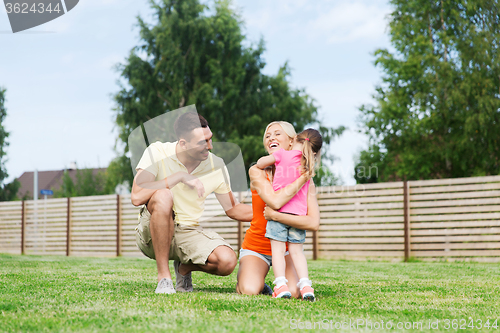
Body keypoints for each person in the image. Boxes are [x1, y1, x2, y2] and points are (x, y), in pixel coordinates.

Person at [131, 112, 252, 294]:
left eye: (210, 139)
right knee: (164, 196)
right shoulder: (157, 152)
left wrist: (271, 211)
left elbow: (233, 208)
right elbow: (136, 196)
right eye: (203, 142)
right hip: (152, 234)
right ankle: (164, 279)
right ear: (183, 144)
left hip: (188, 232)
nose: (210, 147)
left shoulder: (216, 165)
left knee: (227, 261)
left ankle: (184, 268)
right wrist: (178, 177)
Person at [236, 121, 320, 299]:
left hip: (288, 248)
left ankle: (280, 284)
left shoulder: (305, 175)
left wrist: (276, 217)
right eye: (267, 136)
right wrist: (303, 178)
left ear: (292, 141)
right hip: (257, 246)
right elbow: (274, 201)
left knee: (295, 292)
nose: (271, 138)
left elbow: (313, 222)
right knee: (250, 289)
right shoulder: (257, 170)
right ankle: (259, 281)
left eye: (277, 134)